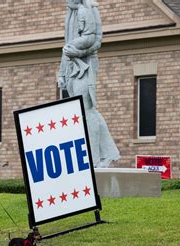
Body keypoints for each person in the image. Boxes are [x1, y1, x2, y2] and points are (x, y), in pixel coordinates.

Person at [58, 0, 120, 167]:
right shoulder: (70, 13)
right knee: (86, 111)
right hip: (71, 68)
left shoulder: (87, 10)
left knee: (87, 109)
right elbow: (66, 47)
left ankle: (93, 159)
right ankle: (108, 153)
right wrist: (62, 72)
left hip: (86, 67)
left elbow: (94, 39)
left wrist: (77, 50)